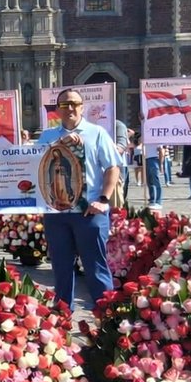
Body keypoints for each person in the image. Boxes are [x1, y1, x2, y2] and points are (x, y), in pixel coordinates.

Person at [36, 89, 124, 309]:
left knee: (96, 267)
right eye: (65, 105)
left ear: (82, 107)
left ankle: (107, 318)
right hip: (57, 213)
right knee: (61, 267)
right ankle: (62, 320)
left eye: (75, 104)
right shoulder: (47, 136)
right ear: (57, 110)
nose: (70, 108)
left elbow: (112, 167)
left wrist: (104, 198)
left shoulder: (97, 133)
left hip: (89, 212)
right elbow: (36, 166)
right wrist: (58, 145)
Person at [144, 142, 165, 207]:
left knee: (155, 180)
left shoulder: (155, 139)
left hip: (153, 159)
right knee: (149, 181)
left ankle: (158, 201)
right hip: (146, 159)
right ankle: (152, 199)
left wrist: (161, 163)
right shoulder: (146, 138)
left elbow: (161, 150)